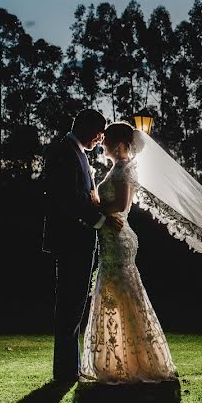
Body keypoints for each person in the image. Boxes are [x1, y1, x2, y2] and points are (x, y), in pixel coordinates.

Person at [80, 121, 177, 383]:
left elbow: (121, 206)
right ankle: (123, 360)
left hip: (117, 237)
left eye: (107, 140)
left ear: (119, 143)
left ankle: (140, 361)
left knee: (125, 296)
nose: (103, 144)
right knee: (118, 297)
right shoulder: (119, 168)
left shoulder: (124, 170)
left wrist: (94, 208)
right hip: (111, 237)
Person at [42, 109, 123, 383]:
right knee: (70, 305)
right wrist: (100, 219)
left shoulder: (75, 152)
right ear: (87, 127)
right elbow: (67, 198)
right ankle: (65, 372)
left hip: (77, 240)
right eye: (99, 132)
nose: (101, 139)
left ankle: (69, 369)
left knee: (74, 305)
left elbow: (80, 195)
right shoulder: (65, 152)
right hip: (71, 240)